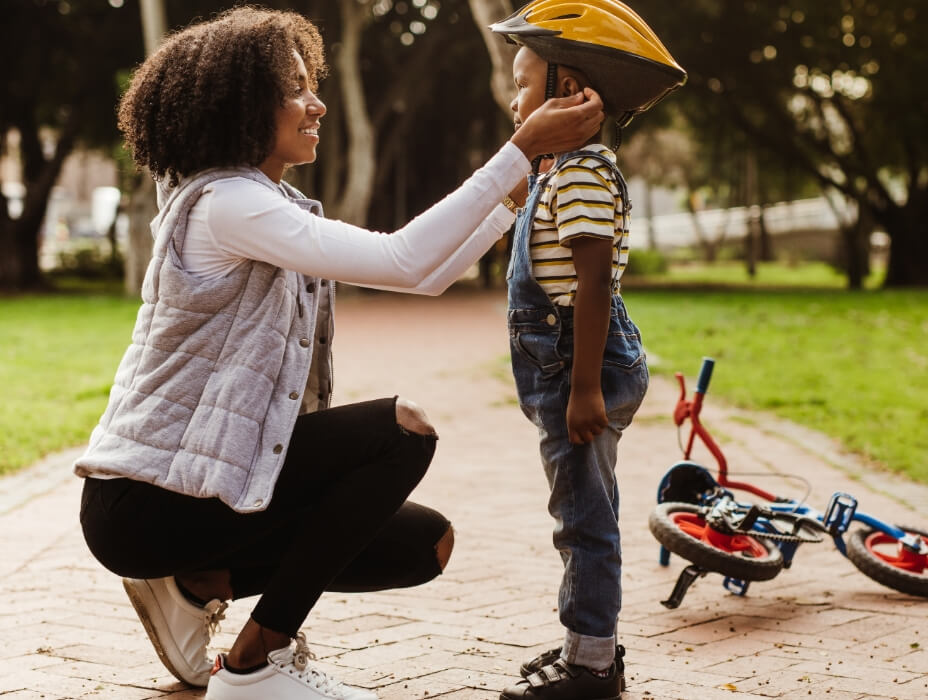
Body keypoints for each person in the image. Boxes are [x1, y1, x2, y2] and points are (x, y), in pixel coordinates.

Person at [73, 7, 604, 700]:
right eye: (295, 89)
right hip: (143, 500)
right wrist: (519, 150)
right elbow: (405, 258)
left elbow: (429, 275)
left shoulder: (267, 201)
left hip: (203, 487)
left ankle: (200, 581)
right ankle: (253, 666)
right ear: (241, 105)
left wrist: (510, 193)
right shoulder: (227, 204)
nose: (315, 103)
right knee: (402, 430)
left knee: (423, 544)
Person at [488, 2, 685, 699]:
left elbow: (594, 280)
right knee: (581, 511)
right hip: (574, 362)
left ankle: (593, 667)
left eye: (523, 81)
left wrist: (583, 388)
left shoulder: (580, 173)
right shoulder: (555, 171)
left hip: (583, 363)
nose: (513, 98)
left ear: (567, 92)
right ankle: (585, 645)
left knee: (584, 522)